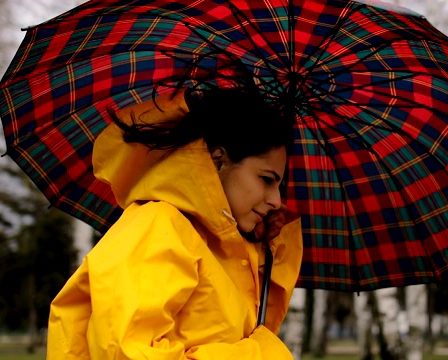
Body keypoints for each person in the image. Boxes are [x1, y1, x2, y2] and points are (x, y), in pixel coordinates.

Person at [46, 85, 303, 359]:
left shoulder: (224, 246)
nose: (276, 200)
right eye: (266, 179)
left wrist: (265, 248)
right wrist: (259, 355)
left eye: (279, 184)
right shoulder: (159, 226)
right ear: (218, 161)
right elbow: (126, 352)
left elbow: (246, 330)